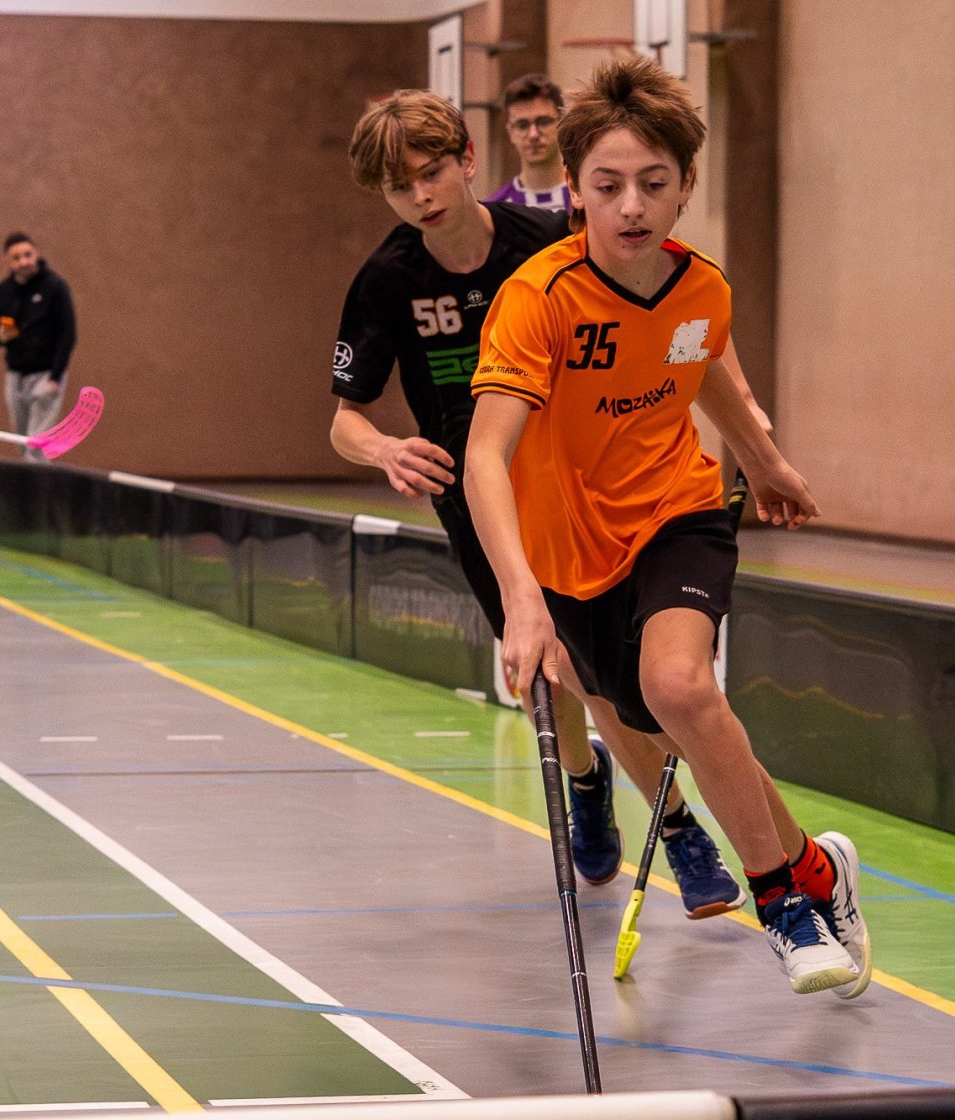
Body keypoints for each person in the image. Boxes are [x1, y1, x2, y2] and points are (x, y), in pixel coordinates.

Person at [465, 56, 871, 997]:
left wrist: (761, 458)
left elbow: (703, 362)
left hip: (677, 511)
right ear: (575, 189)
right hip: (570, 555)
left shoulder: (701, 287)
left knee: (679, 685)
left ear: (687, 185)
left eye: (654, 183)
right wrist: (520, 599)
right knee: (648, 716)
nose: (632, 206)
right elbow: (486, 457)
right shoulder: (539, 299)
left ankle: (783, 904)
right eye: (608, 185)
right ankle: (817, 867)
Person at [329, 87, 747, 921]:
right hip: (483, 503)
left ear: (468, 160)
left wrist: (751, 434)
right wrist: (385, 449)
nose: (421, 195)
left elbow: (674, 319)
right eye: (399, 186)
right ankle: (591, 784)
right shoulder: (386, 280)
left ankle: (674, 825)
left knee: (596, 674)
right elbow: (345, 418)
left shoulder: (548, 242)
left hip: (581, 488)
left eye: (432, 171)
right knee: (550, 671)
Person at [0, 232, 76, 461]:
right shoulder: (3, 291)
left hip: (46, 374)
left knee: (36, 446)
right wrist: (2, 336)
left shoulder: (55, 286)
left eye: (28, 255)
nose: (24, 261)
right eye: (17, 257)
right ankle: (36, 478)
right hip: (16, 375)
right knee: (22, 442)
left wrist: (55, 377)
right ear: (8, 261)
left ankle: (34, 483)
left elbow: (68, 334)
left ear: (36, 254)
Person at [486, 73, 572, 213]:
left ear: (562, 124)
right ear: (510, 132)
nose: (533, 135)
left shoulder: (585, 198)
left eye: (543, 122)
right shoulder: (496, 211)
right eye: (522, 125)